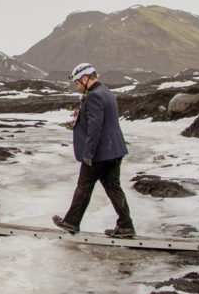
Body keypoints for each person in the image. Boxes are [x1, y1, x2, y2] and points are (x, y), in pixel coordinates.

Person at [53, 63, 136, 238]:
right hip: (115, 150)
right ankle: (126, 226)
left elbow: (95, 127)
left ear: (85, 78)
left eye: (77, 83)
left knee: (84, 186)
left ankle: (71, 222)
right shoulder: (106, 92)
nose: (77, 87)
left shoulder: (93, 97)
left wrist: (88, 153)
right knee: (114, 187)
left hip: (100, 153)